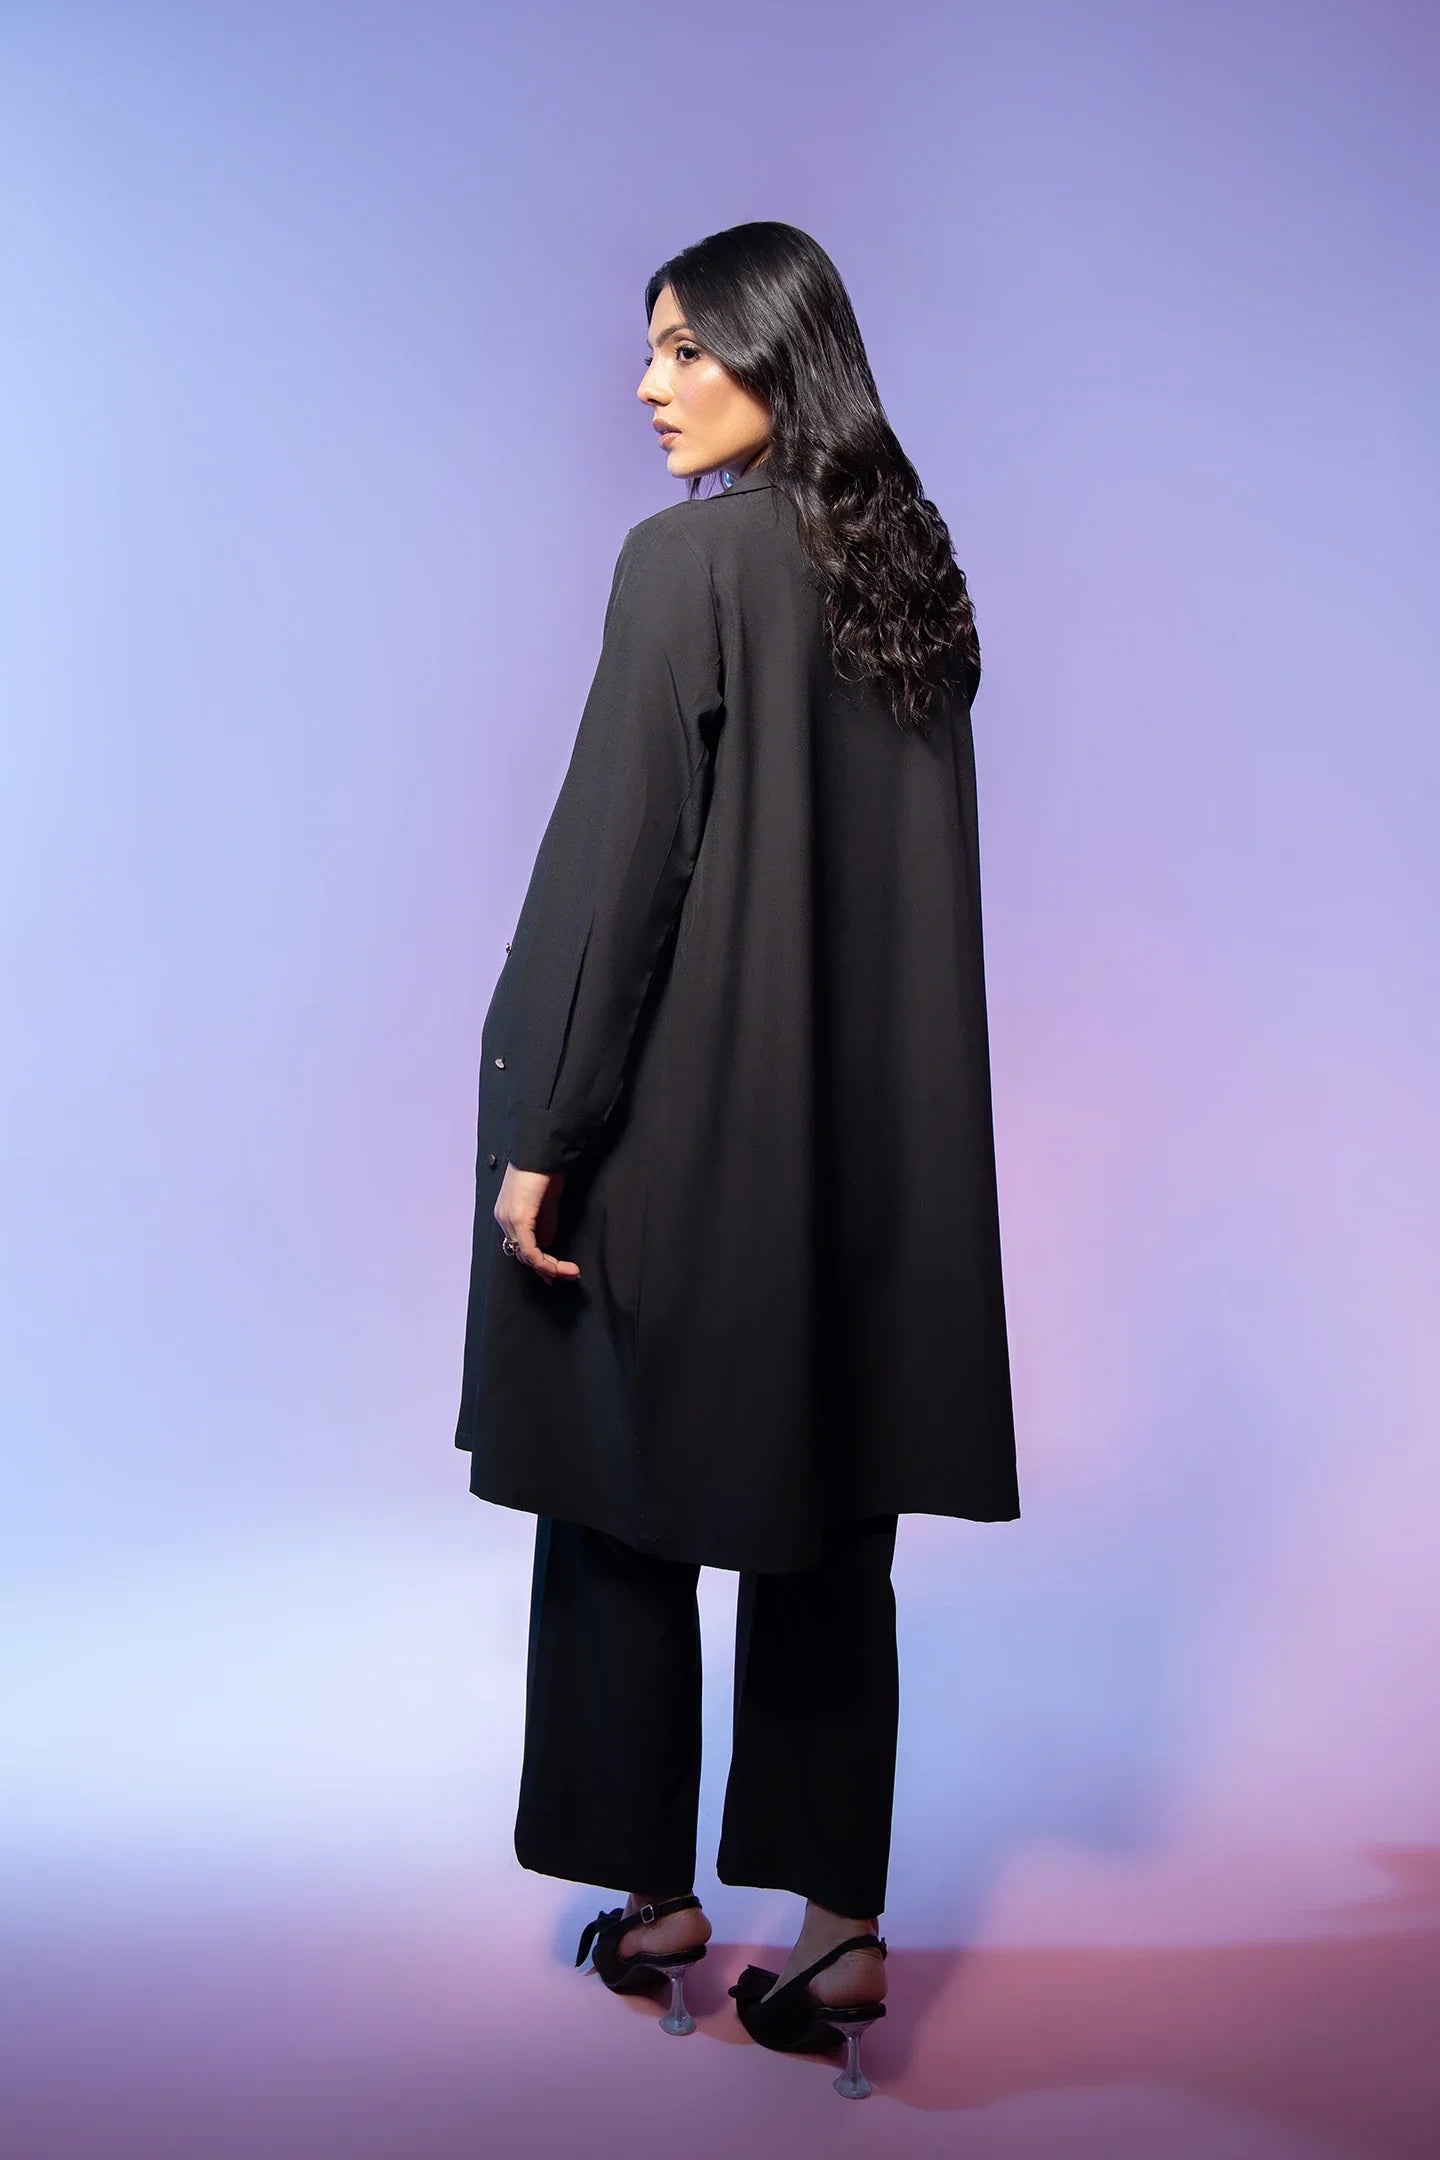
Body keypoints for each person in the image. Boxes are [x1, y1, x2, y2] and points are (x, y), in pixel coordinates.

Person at [453, 221, 1019, 2095]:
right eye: (650, 350)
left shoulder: (683, 564)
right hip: (861, 1166)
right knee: (828, 1520)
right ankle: (841, 1935)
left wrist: (548, 1134)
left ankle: (656, 1901)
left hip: (683, 1137)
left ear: (782, 351)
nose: (650, 385)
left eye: (685, 347)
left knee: (613, 1491)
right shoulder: (908, 576)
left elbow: (619, 873)